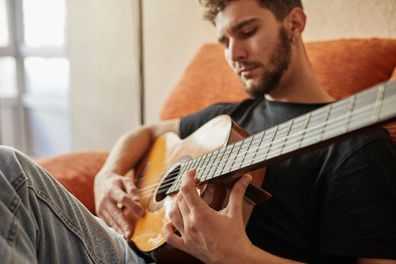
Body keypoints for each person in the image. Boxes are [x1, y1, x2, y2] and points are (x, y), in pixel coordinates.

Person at [1, 0, 395, 263]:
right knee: (6, 166)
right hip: (127, 250)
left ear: (294, 22)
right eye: (224, 40)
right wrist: (108, 174)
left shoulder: (358, 144)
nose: (233, 54)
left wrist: (236, 256)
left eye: (247, 31)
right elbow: (149, 130)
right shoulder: (229, 116)